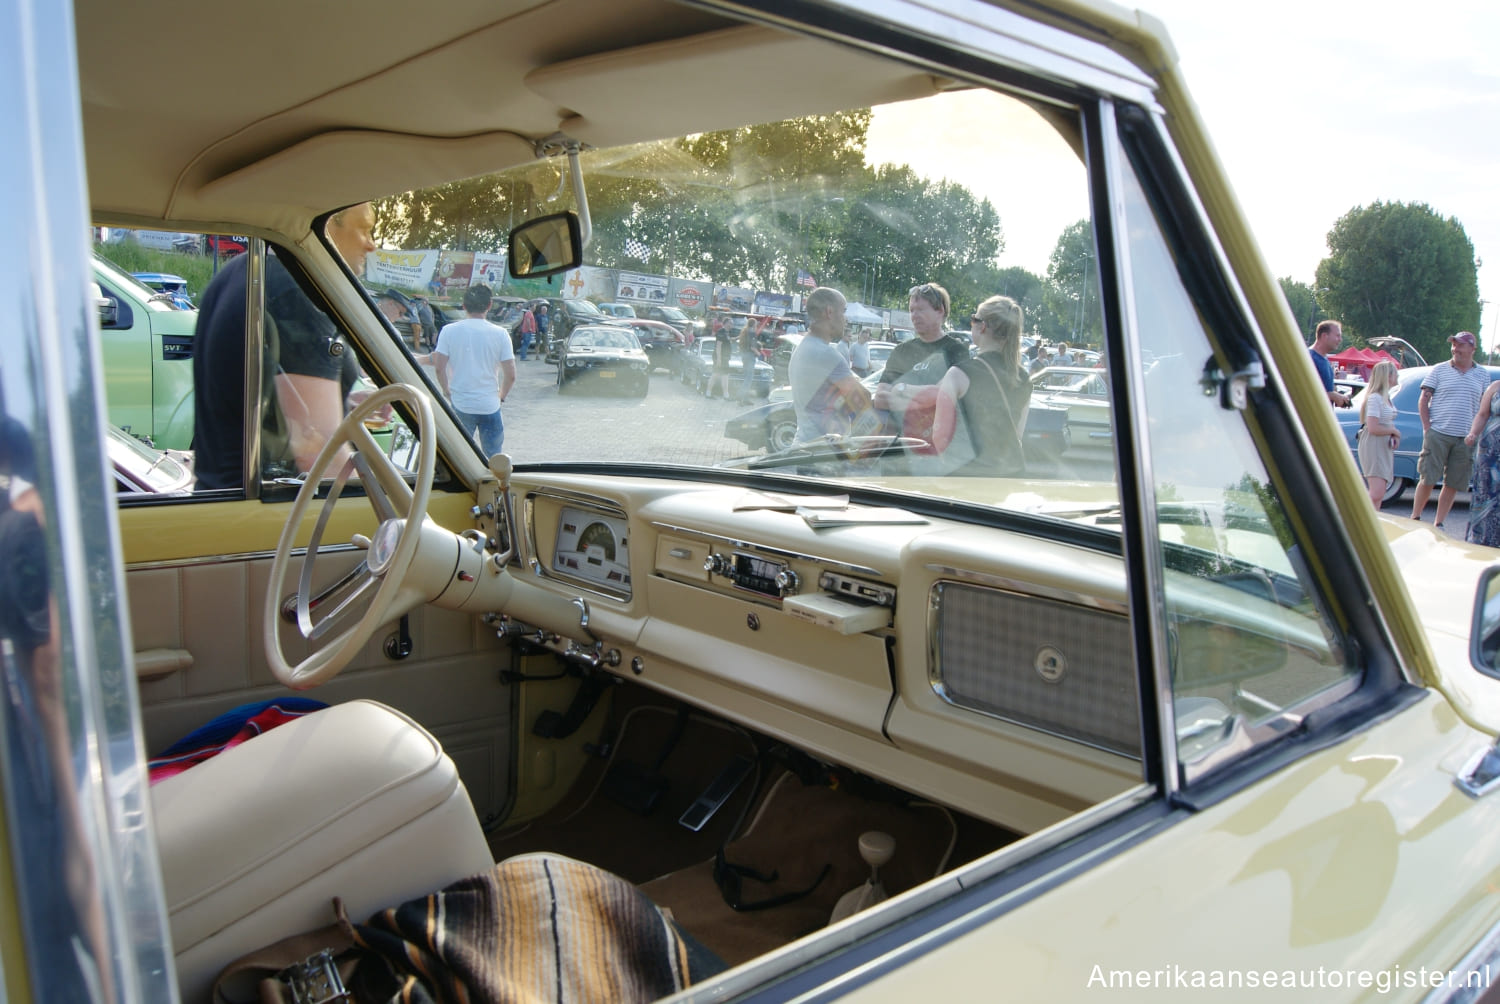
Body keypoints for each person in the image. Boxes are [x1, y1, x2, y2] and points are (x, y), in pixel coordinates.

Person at [192, 202, 376, 490]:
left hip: (220, 496)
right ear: (327, 224)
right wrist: (394, 510)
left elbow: (264, 405)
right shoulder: (295, 293)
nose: (371, 245)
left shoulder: (241, 272)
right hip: (270, 515)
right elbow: (320, 454)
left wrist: (342, 402)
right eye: (364, 229)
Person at [924, 295, 1032, 475]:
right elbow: (1017, 435)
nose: (971, 322)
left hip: (966, 478)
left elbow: (940, 437)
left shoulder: (958, 374)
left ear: (982, 327)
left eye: (974, 318)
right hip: (1007, 480)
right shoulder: (1023, 377)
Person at [1411, 331, 1489, 529]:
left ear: (1472, 349)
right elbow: (1424, 399)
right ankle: (1415, 517)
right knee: (1428, 477)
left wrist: (1475, 433)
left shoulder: (1482, 375)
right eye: (1453, 345)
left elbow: (1484, 408)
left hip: (1466, 437)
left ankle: (1439, 522)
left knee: (1453, 483)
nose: (1455, 349)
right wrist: (1427, 427)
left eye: (1460, 345)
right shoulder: (1439, 370)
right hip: (1438, 433)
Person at [871, 282, 969, 432]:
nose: (914, 316)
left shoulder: (956, 350)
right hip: (899, 443)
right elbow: (880, 399)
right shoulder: (901, 351)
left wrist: (900, 389)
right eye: (911, 310)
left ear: (940, 311)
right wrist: (924, 401)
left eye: (921, 310)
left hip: (937, 443)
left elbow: (943, 397)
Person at [433, 284, 516, 458]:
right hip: (490, 406)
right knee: (494, 459)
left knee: (458, 457)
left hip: (461, 404)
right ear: (489, 305)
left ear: (464, 306)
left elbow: (439, 368)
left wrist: (446, 390)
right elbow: (511, 375)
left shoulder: (448, 331)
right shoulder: (501, 334)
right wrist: (501, 396)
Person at [789, 287, 873, 443]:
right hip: (823, 454)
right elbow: (863, 399)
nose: (846, 319)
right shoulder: (825, 354)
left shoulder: (803, 347)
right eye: (843, 311)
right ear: (829, 312)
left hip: (805, 447)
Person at [1357, 360, 1401, 508]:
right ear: (1387, 376)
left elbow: (1385, 421)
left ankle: (1375, 521)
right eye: (1395, 373)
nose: (1397, 376)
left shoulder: (1386, 397)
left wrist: (1393, 434)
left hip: (1383, 445)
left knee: (1380, 492)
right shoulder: (1375, 398)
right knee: (1376, 492)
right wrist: (1394, 431)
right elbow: (1372, 427)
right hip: (1373, 444)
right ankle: (1360, 516)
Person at [1467, 372, 1500, 546]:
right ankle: (1481, 540)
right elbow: (1482, 414)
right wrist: (1473, 433)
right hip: (1490, 452)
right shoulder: (1495, 387)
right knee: (1486, 494)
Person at [1308, 320, 1351, 408]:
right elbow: (1305, 391)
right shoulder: (1309, 358)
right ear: (1324, 336)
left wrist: (1338, 397)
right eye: (1337, 336)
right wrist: (1332, 396)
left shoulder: (1325, 360)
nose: (1340, 340)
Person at [708, 322, 733, 399]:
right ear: (725, 323)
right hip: (720, 357)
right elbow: (718, 346)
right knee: (715, 374)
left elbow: (727, 341)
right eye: (730, 323)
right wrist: (719, 359)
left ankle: (726, 395)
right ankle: (708, 393)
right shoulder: (721, 332)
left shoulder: (727, 333)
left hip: (725, 358)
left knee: (725, 375)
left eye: (732, 324)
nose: (731, 325)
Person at [736, 319, 759, 402]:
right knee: (749, 378)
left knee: (746, 377)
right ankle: (740, 395)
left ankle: (745, 398)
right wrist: (759, 354)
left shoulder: (744, 332)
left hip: (744, 355)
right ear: (753, 324)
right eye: (756, 324)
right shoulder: (752, 333)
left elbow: (739, 339)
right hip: (750, 356)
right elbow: (753, 347)